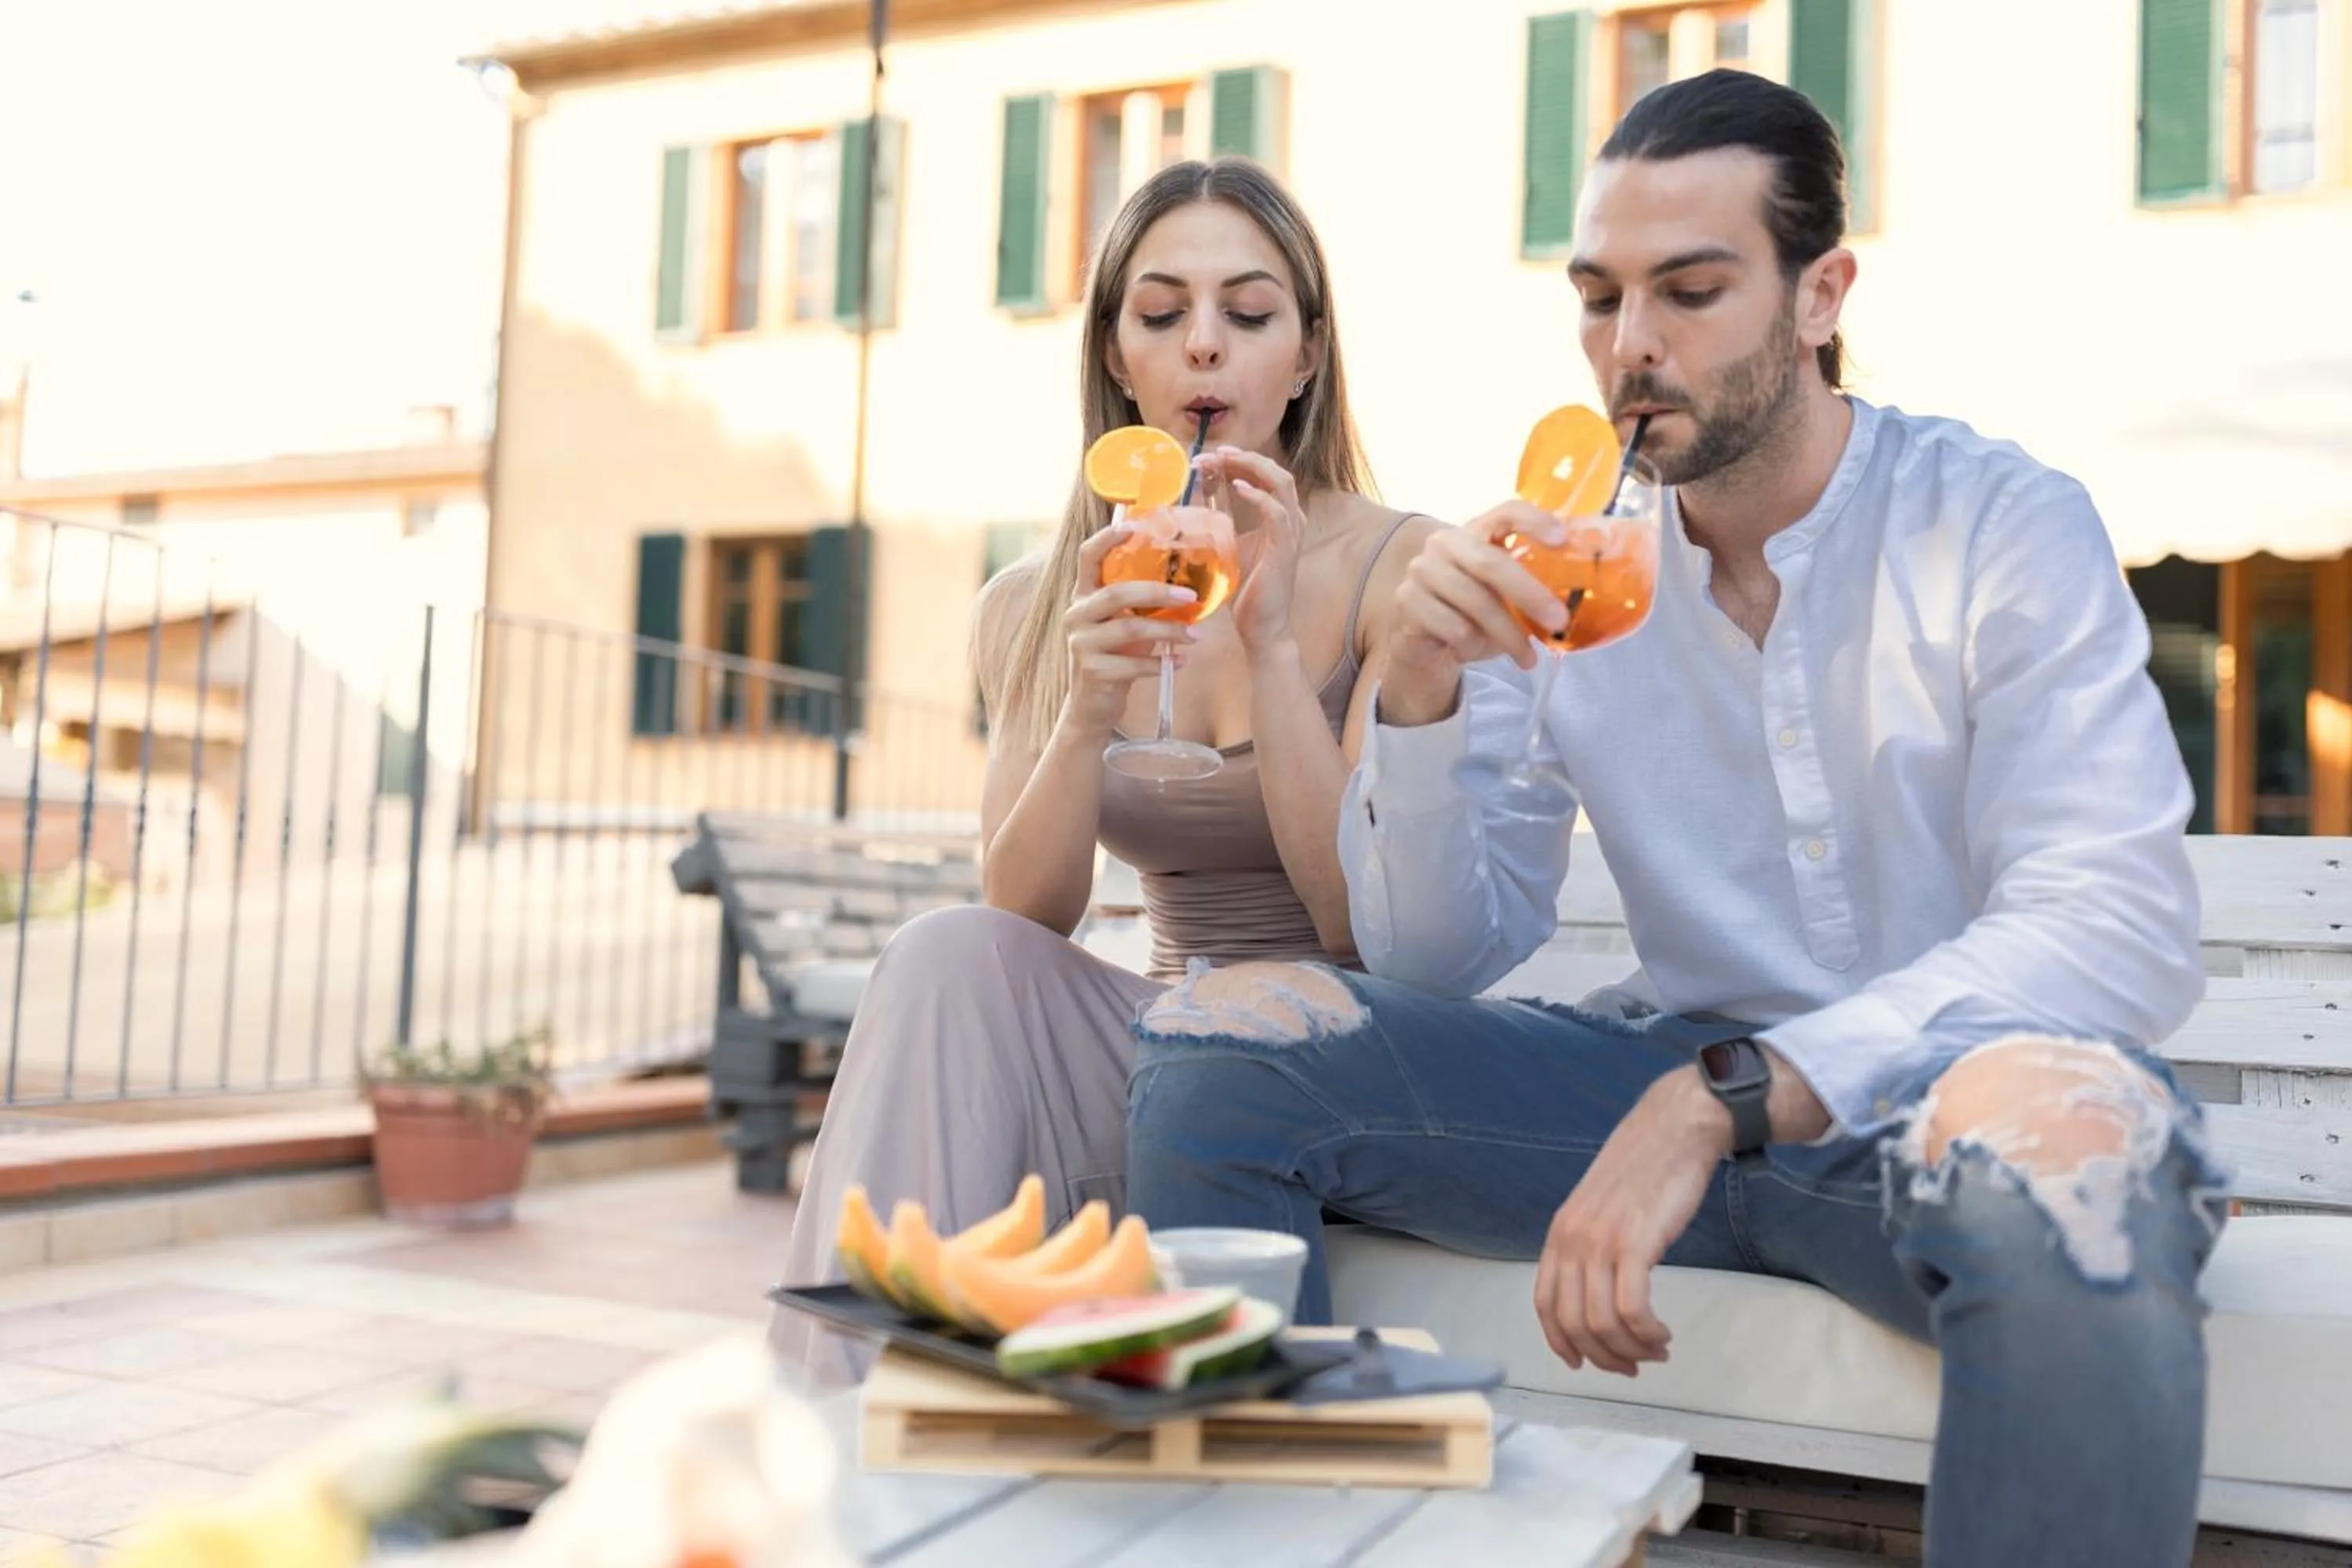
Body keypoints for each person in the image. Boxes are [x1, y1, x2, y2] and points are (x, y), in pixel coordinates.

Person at [1123, 71, 2227, 1568]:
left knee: (2083, 1168)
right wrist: (1425, 693)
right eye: (1598, 298)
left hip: (1953, 1111)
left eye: (1689, 291)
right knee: (1226, 1046)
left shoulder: (1996, 524)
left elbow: (2115, 925)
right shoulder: (1569, 565)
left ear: (1820, 292)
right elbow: (1438, 962)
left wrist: (1721, 1096)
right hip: (1654, 1096)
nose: (1628, 349)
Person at [772, 157, 1439, 1367]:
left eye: (1247, 315)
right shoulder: (1036, 601)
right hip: (1161, 1031)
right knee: (940, 955)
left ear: (1305, 356)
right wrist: (1084, 710)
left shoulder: (1398, 568)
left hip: (1355, 1040)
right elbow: (1022, 921)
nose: (1203, 350)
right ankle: (843, 1424)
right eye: (1161, 313)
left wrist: (1273, 643)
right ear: (1115, 358)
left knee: (1222, 1030)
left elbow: (1363, 918)